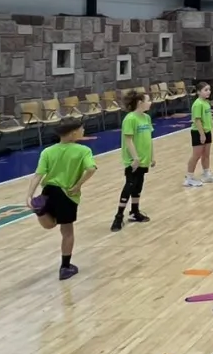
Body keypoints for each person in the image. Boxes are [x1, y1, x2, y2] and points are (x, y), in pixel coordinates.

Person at [26, 117, 97, 280]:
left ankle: (40, 210)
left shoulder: (48, 151)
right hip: (66, 193)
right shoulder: (83, 150)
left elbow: (38, 175)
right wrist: (78, 185)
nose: (83, 131)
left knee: (50, 224)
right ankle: (65, 267)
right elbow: (91, 169)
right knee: (67, 231)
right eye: (81, 129)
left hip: (48, 190)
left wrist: (29, 194)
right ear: (73, 133)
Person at [111, 90, 153, 232]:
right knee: (129, 185)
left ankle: (134, 212)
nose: (150, 102)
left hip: (144, 159)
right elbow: (128, 140)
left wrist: (152, 156)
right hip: (133, 160)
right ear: (140, 103)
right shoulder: (130, 119)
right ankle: (118, 216)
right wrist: (135, 158)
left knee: (138, 185)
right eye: (148, 100)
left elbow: (149, 139)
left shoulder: (146, 118)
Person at [185, 83, 213, 186]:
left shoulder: (206, 102)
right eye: (205, 90)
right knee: (196, 155)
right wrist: (202, 134)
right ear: (198, 92)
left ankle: (206, 175)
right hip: (198, 132)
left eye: (209, 89)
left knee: (206, 155)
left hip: (207, 131)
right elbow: (197, 120)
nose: (208, 92)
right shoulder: (198, 104)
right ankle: (189, 178)